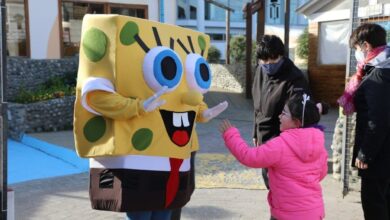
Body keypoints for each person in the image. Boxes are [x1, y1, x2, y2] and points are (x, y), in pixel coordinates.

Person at [220, 95, 328, 220]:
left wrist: (231, 135)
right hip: (314, 213)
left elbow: (249, 157)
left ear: (297, 122)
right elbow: (321, 174)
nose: (279, 116)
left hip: (287, 214)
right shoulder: (319, 144)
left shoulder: (280, 145)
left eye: (284, 113)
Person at [339, 23, 390, 220]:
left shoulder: (378, 76)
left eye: (357, 49)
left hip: (378, 156)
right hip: (384, 153)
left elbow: (377, 120)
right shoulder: (382, 69)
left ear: (366, 46)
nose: (357, 54)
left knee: (374, 204)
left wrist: (365, 154)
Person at [252, 35, 311, 188]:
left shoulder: (295, 78)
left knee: (282, 190)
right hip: (264, 140)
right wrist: (255, 132)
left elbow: (300, 118)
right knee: (270, 185)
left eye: (273, 59)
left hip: (283, 145)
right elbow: (257, 106)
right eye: (264, 60)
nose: (268, 64)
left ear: (282, 56)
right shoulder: (260, 70)